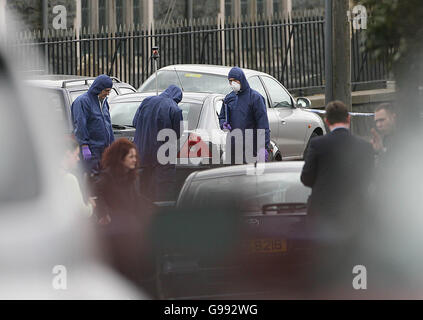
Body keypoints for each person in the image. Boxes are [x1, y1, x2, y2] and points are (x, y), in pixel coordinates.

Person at [300, 100, 374, 296]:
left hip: (324, 213)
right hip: (355, 212)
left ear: (327, 121)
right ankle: (358, 290)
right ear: (349, 118)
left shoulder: (317, 144)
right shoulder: (365, 146)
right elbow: (369, 179)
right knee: (356, 257)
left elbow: (306, 178)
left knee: (324, 258)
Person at [94, 138, 154, 288]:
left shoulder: (131, 177)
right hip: (116, 235)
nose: (135, 160)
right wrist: (103, 213)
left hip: (132, 232)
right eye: (131, 157)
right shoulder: (107, 177)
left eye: (135, 156)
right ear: (121, 158)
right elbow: (96, 192)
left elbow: (137, 200)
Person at [132, 85, 183, 202]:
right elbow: (178, 133)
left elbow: (135, 122)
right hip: (163, 155)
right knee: (163, 188)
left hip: (142, 152)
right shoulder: (175, 108)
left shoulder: (146, 101)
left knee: (143, 186)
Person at [218, 67, 270, 164]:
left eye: (235, 80)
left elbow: (263, 125)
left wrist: (263, 147)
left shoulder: (255, 98)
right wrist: (223, 124)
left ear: (241, 79)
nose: (232, 83)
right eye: (230, 81)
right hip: (233, 148)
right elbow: (222, 116)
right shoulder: (229, 98)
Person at [71, 74, 115, 175]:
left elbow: (108, 124)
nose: (108, 94)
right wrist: (84, 145)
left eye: (109, 91)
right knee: (93, 179)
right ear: (99, 88)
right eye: (106, 90)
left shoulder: (103, 102)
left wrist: (111, 145)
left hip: (104, 150)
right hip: (92, 150)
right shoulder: (82, 102)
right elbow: (80, 125)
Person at [60, 137, 96, 218]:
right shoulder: (69, 179)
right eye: (76, 155)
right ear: (68, 154)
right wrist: (91, 206)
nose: (78, 159)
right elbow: (81, 211)